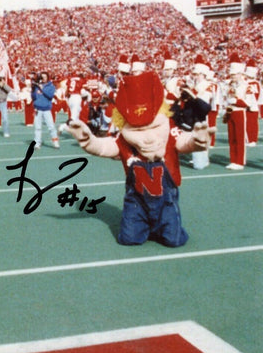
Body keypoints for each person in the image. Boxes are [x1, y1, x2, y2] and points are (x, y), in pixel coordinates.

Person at [68, 71, 214, 247]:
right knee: (129, 239)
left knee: (174, 240)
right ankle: (145, 226)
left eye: (153, 128)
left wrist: (197, 140)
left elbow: (184, 142)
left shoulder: (170, 130)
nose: (147, 138)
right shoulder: (124, 140)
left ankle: (160, 227)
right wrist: (88, 140)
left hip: (165, 199)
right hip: (136, 201)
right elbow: (104, 147)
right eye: (137, 131)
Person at [31, 72, 60, 149]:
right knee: (37, 127)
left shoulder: (51, 86)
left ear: (47, 77)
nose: (43, 78)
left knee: (51, 126)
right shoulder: (37, 86)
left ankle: (55, 141)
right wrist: (33, 89)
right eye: (42, 77)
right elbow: (33, 97)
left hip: (47, 109)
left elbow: (50, 95)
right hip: (38, 109)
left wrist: (42, 88)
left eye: (44, 77)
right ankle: (37, 142)